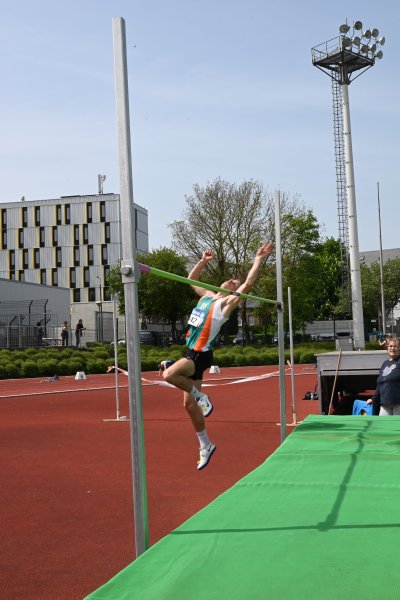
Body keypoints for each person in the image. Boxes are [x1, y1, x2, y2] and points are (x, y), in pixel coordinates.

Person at [163, 241, 273, 470]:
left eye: (235, 282)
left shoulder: (226, 304)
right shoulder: (207, 295)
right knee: (188, 406)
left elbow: (249, 283)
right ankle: (206, 444)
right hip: (190, 352)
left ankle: (203, 398)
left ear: (233, 290)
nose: (232, 280)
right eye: (231, 278)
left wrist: (258, 259)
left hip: (200, 355)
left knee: (169, 375)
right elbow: (191, 278)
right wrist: (203, 261)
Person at [367, 336, 400, 415]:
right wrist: (373, 399)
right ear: (387, 348)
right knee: (384, 426)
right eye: (390, 346)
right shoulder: (385, 363)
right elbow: (380, 384)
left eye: (396, 346)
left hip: (398, 404)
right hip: (385, 404)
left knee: (397, 427)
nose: (393, 348)